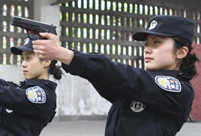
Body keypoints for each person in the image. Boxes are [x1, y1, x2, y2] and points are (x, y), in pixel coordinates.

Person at [32, 15, 199, 136]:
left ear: (181, 52)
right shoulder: (142, 87)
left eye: (157, 42)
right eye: (147, 44)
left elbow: (121, 75)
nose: (147, 49)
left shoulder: (177, 89)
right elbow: (110, 79)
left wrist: (65, 54)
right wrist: (62, 56)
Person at [0, 38, 62, 136]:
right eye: (23, 59)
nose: (23, 64)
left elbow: (5, 94)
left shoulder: (42, 95)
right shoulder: (23, 89)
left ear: (46, 61)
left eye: (28, 58)